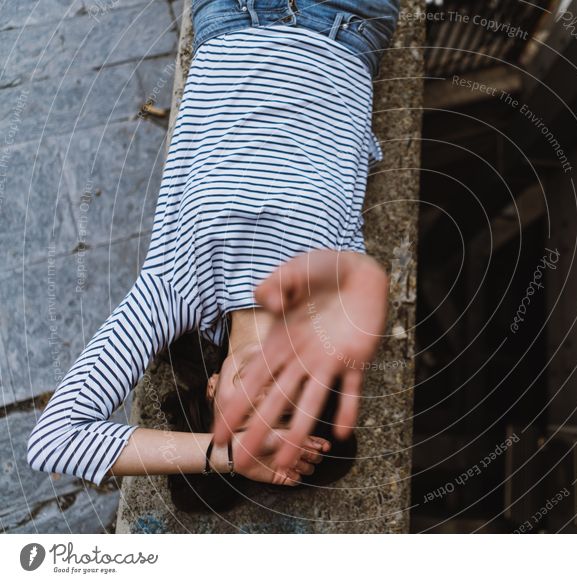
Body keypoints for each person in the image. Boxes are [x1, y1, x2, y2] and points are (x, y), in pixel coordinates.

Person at [27, 0, 399, 490]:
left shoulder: (173, 291)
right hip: (346, 21)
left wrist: (226, 457)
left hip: (234, 13)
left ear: (212, 389)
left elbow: (55, 440)